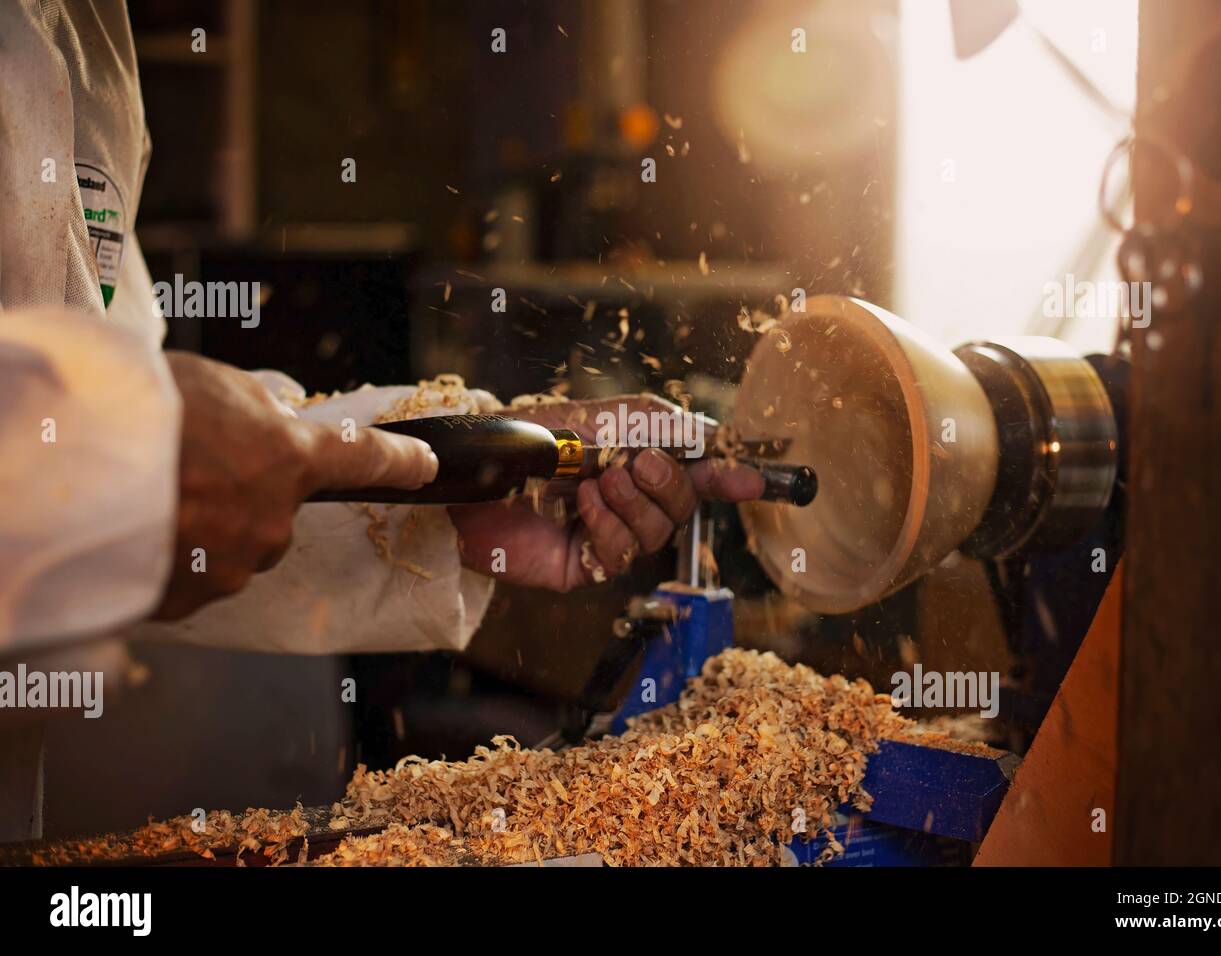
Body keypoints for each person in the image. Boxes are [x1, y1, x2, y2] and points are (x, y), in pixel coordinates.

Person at [0, 1, 762, 840]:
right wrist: (106, 457)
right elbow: (104, 454)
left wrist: (445, 496)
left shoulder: (90, 37)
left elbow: (155, 462)